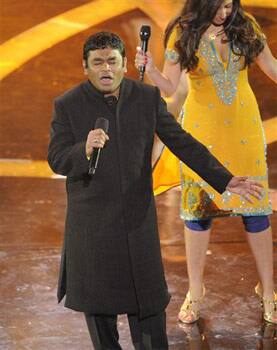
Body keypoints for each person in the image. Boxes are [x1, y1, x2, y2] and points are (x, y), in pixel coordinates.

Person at [48, 31, 263, 349]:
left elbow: (182, 142)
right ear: (85, 67)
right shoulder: (68, 105)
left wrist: (225, 179)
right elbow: (56, 158)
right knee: (100, 320)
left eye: (112, 61)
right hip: (92, 230)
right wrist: (85, 149)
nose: (106, 68)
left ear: (124, 64)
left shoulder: (146, 99)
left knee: (149, 312)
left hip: (137, 226)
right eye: (97, 62)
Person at [135, 0, 277, 325]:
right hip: (201, 137)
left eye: (229, 4)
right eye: (218, 5)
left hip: (245, 131)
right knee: (198, 214)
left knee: (256, 211)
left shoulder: (245, 26)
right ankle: (196, 291)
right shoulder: (183, 33)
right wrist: (153, 70)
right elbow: (170, 89)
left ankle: (268, 291)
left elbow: (272, 68)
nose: (225, 12)